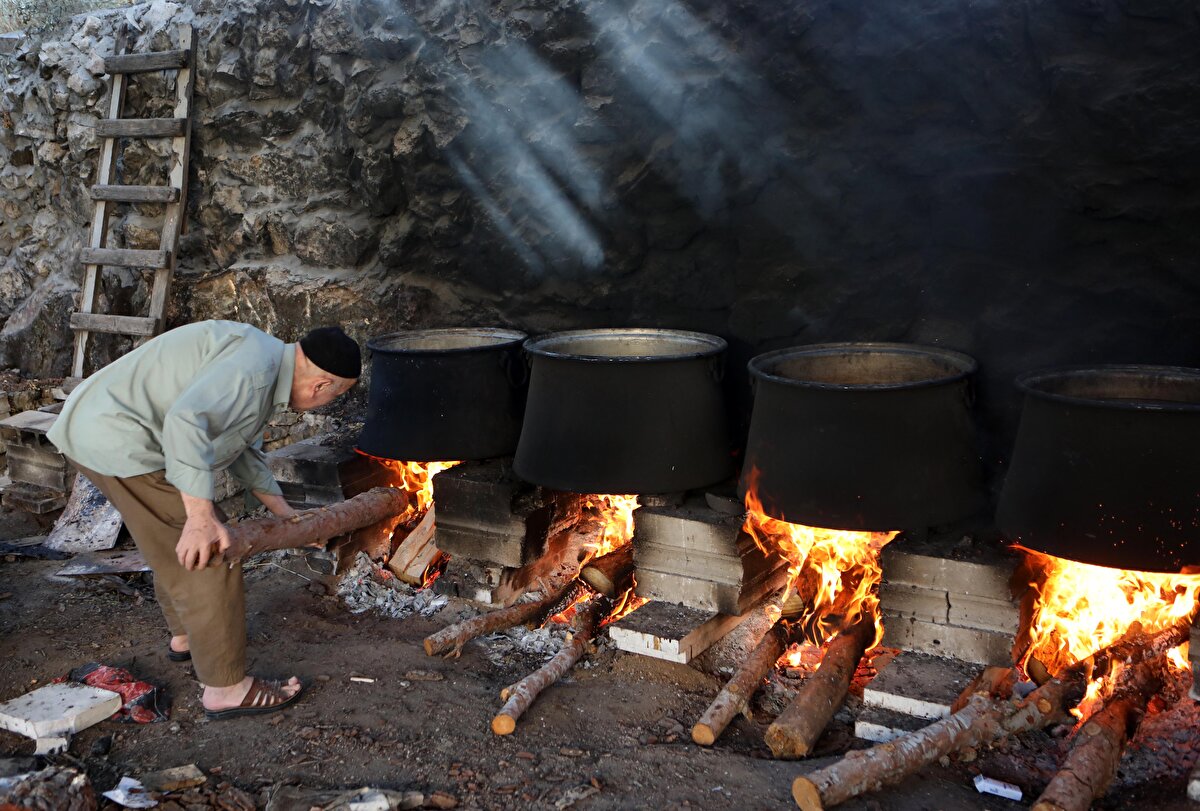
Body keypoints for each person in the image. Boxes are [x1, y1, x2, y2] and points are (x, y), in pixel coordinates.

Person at [48, 320, 359, 719]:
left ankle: (186, 637)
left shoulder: (263, 361)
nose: (329, 401)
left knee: (171, 539)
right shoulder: (253, 374)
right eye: (337, 395)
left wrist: (285, 513)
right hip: (119, 436)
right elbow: (186, 422)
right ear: (322, 385)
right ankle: (226, 688)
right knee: (213, 548)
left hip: (100, 426)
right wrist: (200, 518)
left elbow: (241, 449)